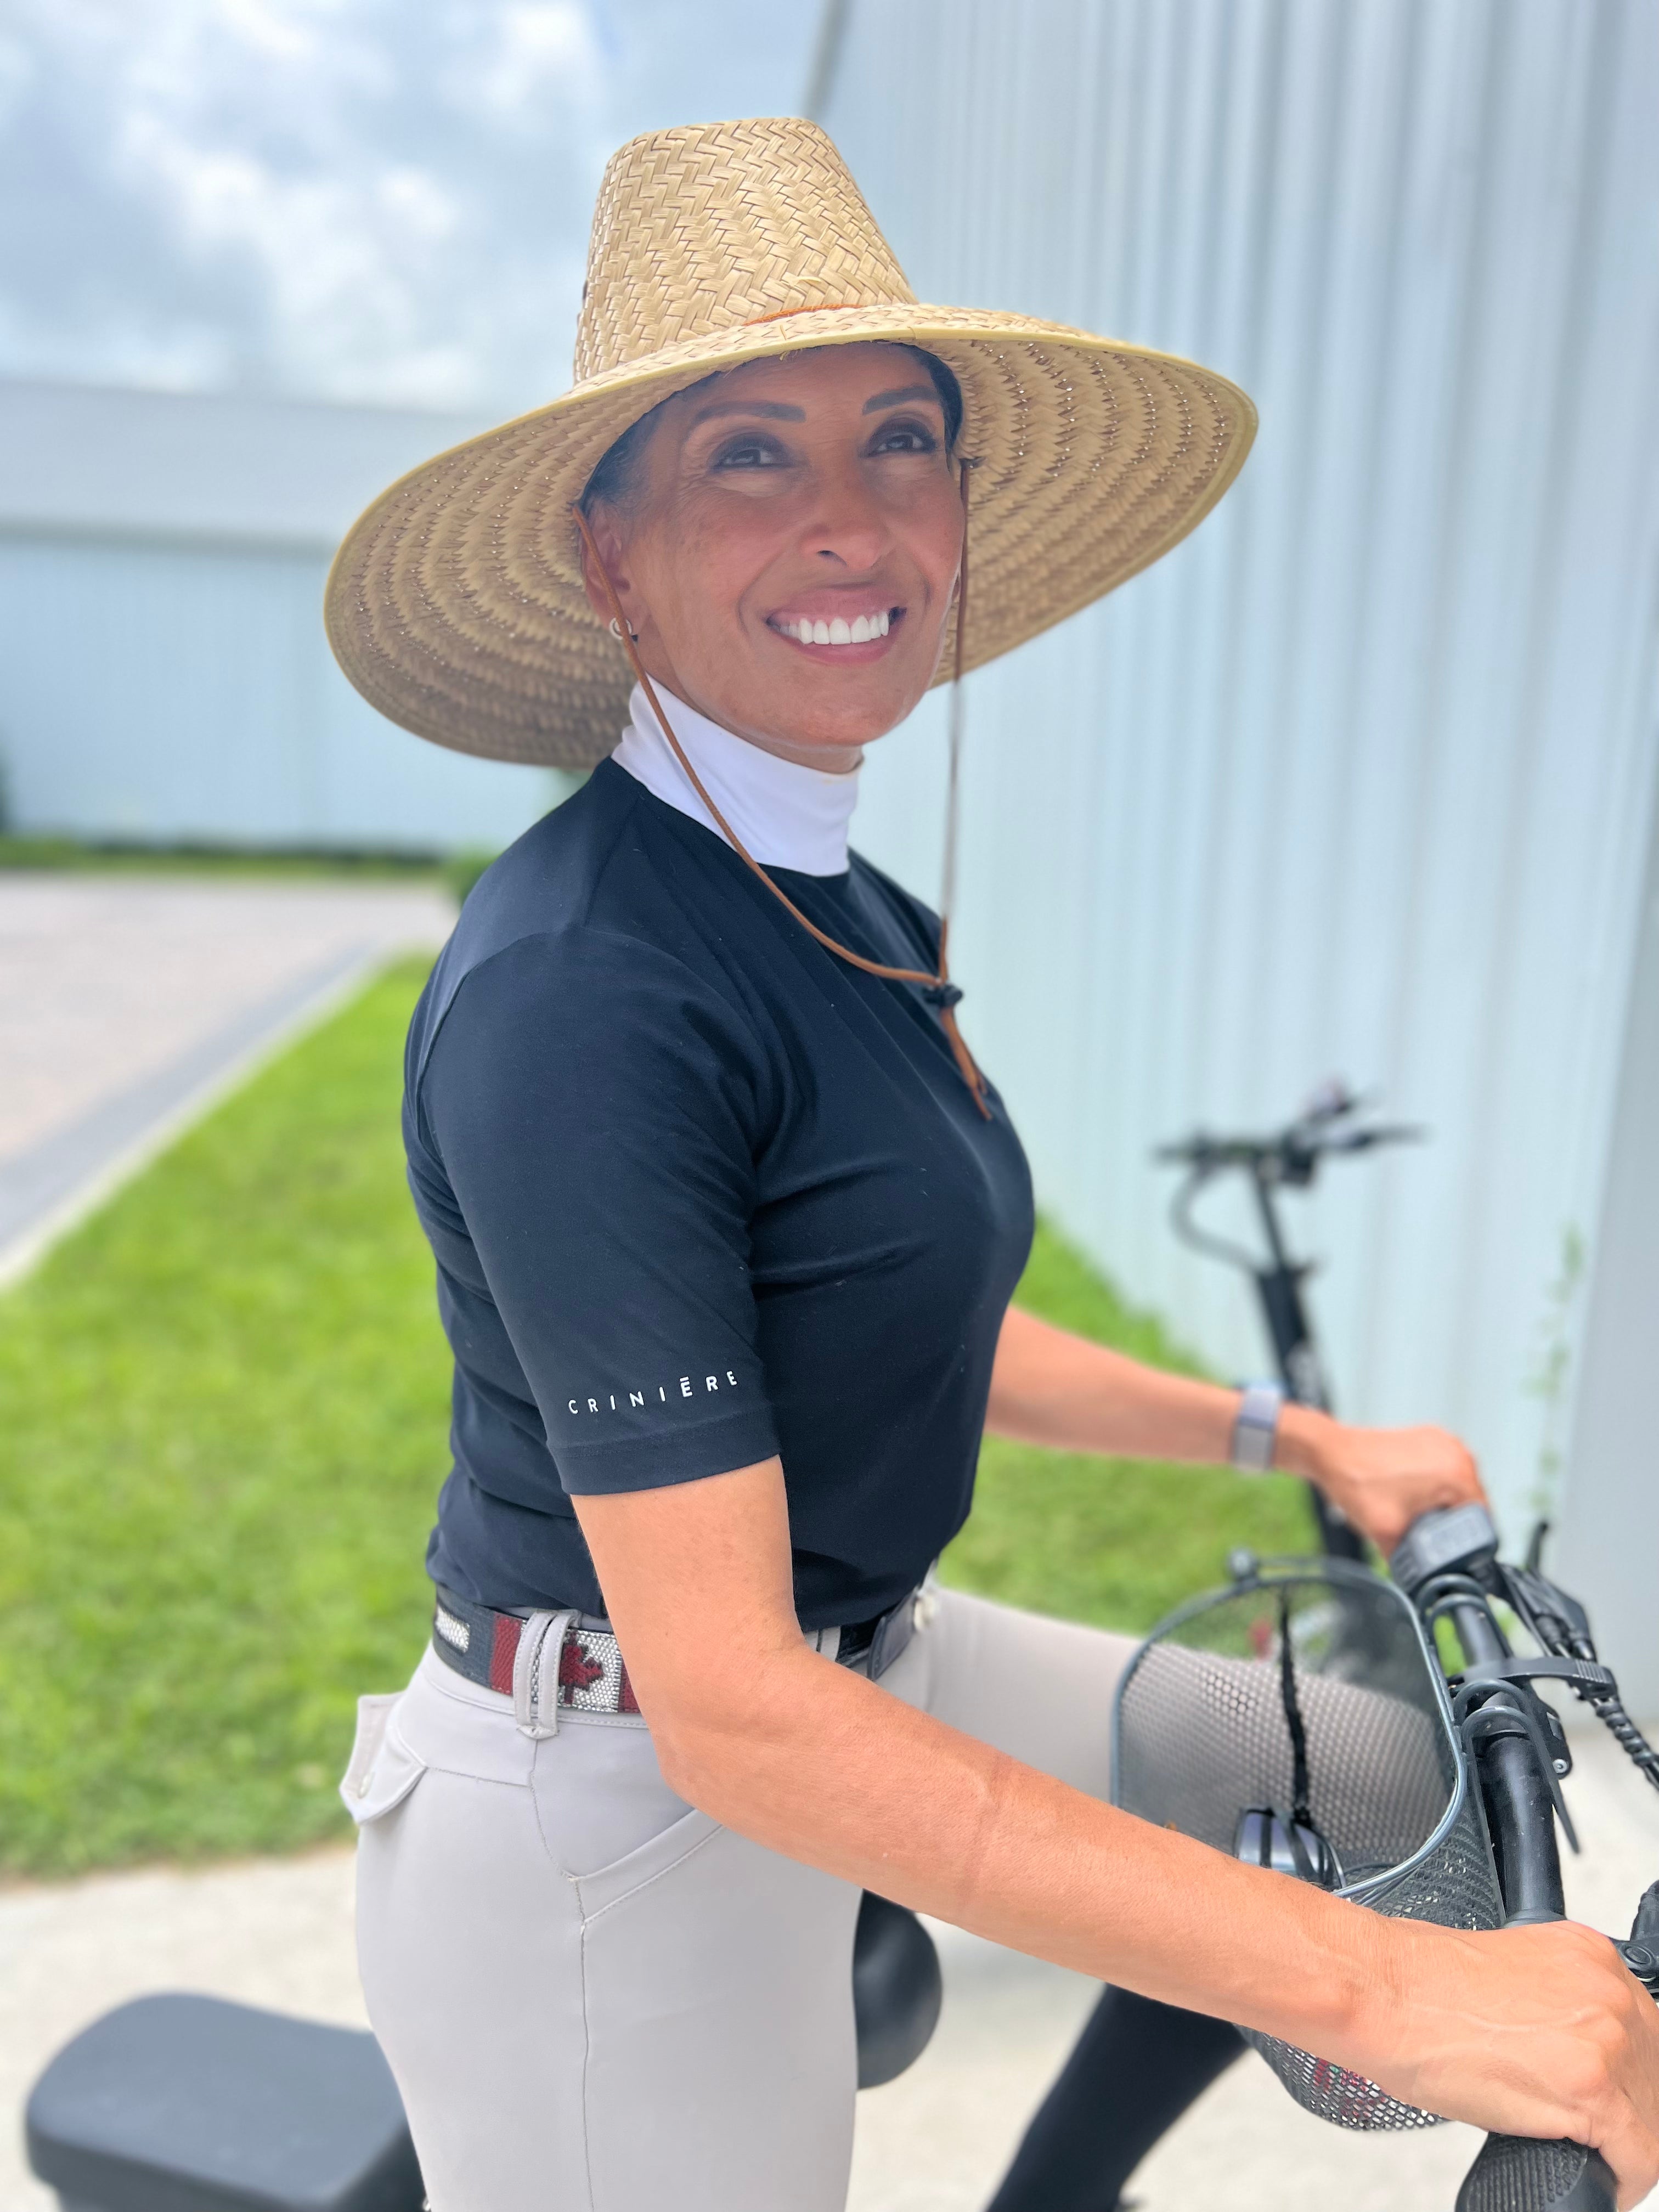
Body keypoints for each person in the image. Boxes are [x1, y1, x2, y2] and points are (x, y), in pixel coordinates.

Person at [325, 117, 1659, 2212]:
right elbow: (730, 1705)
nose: (852, 519)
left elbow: (912, 1318)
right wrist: (1381, 1989)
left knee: (1350, 1765)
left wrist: (1291, 1432)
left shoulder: (843, 907)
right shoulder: (586, 988)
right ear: (611, 558)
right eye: (749, 455)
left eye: (903, 441)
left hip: (871, 1651)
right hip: (629, 1777)